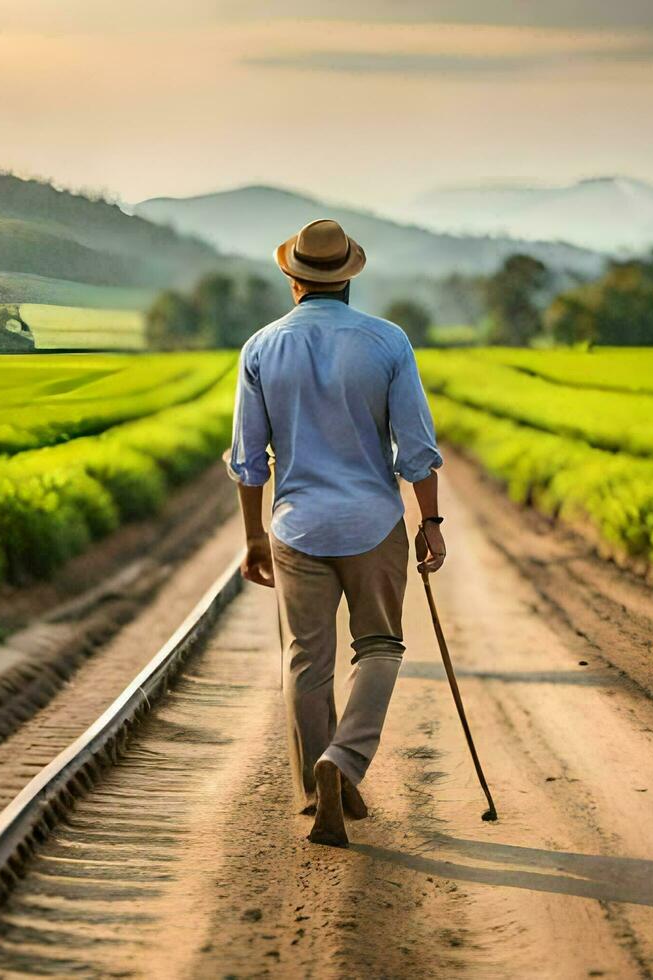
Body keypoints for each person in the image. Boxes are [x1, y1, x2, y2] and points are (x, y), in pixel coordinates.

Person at [227, 218, 446, 848]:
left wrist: (253, 538)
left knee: (305, 658)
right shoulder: (387, 342)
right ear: (349, 276)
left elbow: (248, 458)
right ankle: (343, 763)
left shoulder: (261, 348)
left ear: (292, 278)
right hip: (374, 522)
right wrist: (429, 522)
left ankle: (314, 781)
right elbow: (417, 448)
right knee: (379, 647)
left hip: (297, 527)